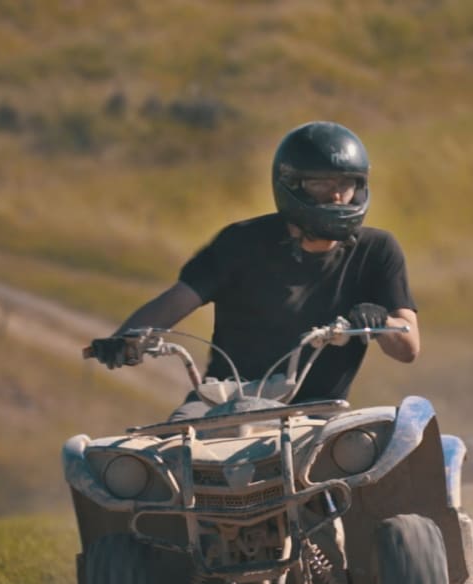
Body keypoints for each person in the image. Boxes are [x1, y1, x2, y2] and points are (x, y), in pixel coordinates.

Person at [89, 121, 420, 417]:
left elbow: (408, 347)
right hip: (223, 405)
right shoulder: (240, 242)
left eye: (346, 184)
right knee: (166, 461)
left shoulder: (377, 250)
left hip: (319, 414)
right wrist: (124, 340)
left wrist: (381, 323)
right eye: (321, 184)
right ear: (290, 184)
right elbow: (176, 301)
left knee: (373, 461)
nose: (336, 195)